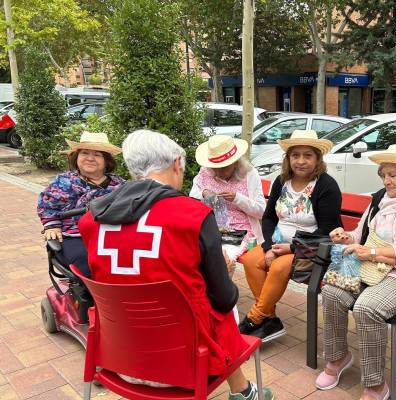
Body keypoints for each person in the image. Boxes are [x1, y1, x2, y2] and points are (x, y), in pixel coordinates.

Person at [78, 130, 273, 400]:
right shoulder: (192, 216)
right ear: (176, 163)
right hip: (189, 362)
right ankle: (245, 392)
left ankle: (244, 391)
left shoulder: (91, 220)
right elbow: (225, 299)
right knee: (222, 307)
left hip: (119, 357)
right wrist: (223, 276)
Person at [316, 143, 396, 400]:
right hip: (368, 267)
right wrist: (346, 238)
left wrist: (375, 253)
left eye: (392, 174)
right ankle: (338, 358)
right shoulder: (380, 199)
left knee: (367, 307)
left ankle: (376, 385)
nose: (386, 180)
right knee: (332, 291)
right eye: (383, 175)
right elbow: (361, 235)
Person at [239, 130, 342, 342]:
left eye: (308, 156)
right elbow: (268, 218)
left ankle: (256, 317)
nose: (301, 161)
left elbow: (327, 232)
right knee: (251, 260)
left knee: (277, 267)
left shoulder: (326, 186)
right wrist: (268, 247)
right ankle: (270, 319)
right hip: (278, 242)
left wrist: (291, 248)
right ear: (288, 158)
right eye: (295, 155)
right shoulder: (281, 181)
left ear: (317, 159)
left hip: (311, 249)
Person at [37, 131, 125, 276]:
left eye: (97, 154)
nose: (90, 158)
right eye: (85, 153)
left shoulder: (119, 184)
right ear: (77, 157)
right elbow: (47, 207)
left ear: (106, 160)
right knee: (88, 264)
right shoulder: (63, 182)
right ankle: (91, 296)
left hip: (111, 235)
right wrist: (51, 226)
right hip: (76, 235)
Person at [190, 135, 266, 269]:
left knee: (223, 259)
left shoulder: (249, 174)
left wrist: (237, 199)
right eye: (215, 167)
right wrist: (204, 193)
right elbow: (191, 197)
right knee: (191, 255)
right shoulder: (205, 172)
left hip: (240, 232)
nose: (218, 172)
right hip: (211, 229)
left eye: (224, 167)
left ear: (236, 162)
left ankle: (222, 289)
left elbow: (261, 212)